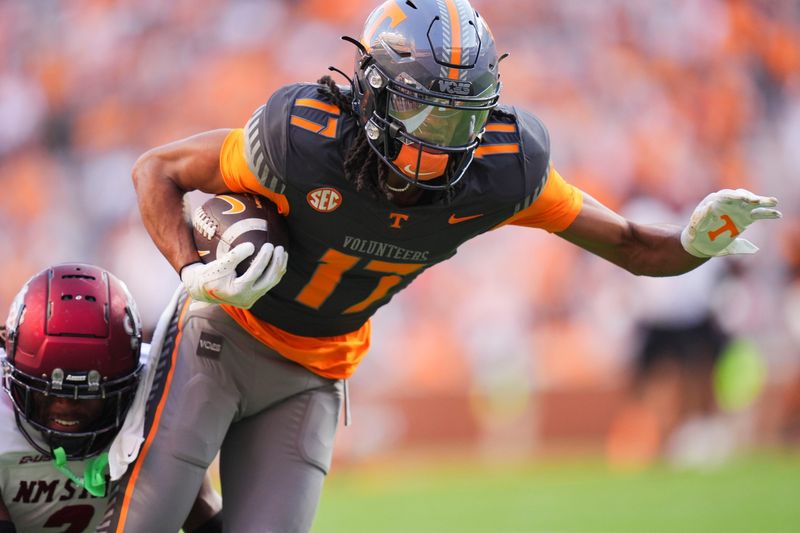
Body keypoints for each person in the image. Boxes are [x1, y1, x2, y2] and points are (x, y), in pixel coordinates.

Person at [102, 1, 782, 531]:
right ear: (369, 90)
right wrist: (192, 269)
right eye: (420, 111)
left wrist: (696, 241)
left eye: (458, 121)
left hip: (315, 372)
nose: (436, 141)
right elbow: (157, 169)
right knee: (144, 522)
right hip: (221, 338)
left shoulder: (505, 172)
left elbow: (633, 244)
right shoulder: (301, 140)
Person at [0, 263, 222, 533]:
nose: (66, 406)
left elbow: (202, 514)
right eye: (49, 392)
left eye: (89, 394)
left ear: (132, 382)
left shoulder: (153, 389)